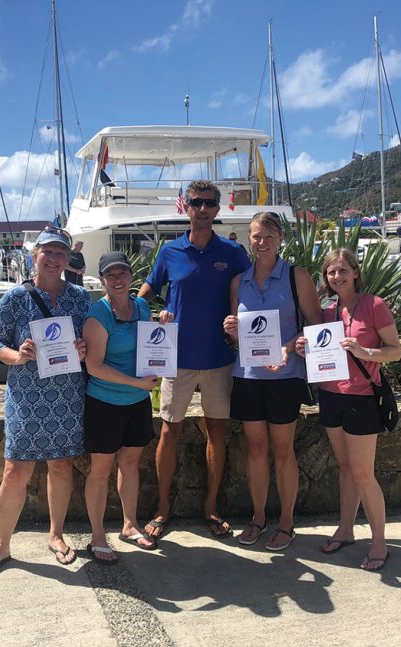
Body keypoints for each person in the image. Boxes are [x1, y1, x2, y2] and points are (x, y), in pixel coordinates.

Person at [0, 227, 91, 579]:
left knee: (61, 465)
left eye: (61, 253)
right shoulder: (13, 298)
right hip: (26, 396)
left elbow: (92, 342)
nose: (54, 259)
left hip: (67, 395)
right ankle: (2, 544)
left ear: (67, 259)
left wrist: (84, 351)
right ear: (34, 256)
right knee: (15, 472)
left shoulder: (81, 298)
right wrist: (19, 355)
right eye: (47, 252)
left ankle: (55, 534)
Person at [138, 180, 251, 539]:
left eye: (209, 203)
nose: (202, 209)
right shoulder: (169, 251)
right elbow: (148, 291)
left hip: (219, 359)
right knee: (169, 432)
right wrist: (139, 318)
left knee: (217, 433)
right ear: (185, 207)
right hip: (177, 360)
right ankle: (162, 508)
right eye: (196, 203)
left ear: (218, 209)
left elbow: (253, 292)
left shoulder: (233, 253)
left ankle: (212, 507)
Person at [296, 248, 401, 571]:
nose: (337, 277)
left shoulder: (374, 305)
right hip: (331, 396)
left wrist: (363, 350)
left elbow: (394, 351)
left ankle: (379, 543)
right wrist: (304, 348)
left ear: (355, 272)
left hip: (362, 399)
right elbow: (321, 355)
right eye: (331, 272)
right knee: (344, 467)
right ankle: (346, 530)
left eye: (343, 270)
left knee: (363, 474)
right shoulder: (328, 312)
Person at [223, 212, 321, 549]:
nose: (260, 242)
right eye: (255, 236)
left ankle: (287, 523)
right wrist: (232, 332)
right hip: (249, 376)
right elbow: (238, 338)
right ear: (248, 240)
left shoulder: (297, 277)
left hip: (285, 377)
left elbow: (316, 325)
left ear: (280, 239)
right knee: (255, 448)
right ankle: (258, 518)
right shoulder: (239, 282)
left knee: (282, 450)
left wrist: (288, 347)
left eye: (267, 236)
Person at [82, 252, 163, 563]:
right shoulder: (97, 316)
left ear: (131, 276)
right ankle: (98, 536)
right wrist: (137, 383)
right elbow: (95, 367)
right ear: (102, 280)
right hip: (105, 403)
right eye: (110, 275)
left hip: (136, 403)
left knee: (130, 464)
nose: (117, 280)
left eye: (122, 274)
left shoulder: (142, 306)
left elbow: (151, 343)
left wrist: (163, 323)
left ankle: (129, 525)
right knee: (100, 471)